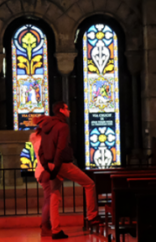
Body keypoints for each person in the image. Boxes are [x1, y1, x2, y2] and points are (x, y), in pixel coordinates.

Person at [39, 102, 100, 240]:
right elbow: (61, 148)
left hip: (51, 165)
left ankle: (56, 230)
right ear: (61, 110)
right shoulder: (63, 126)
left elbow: (40, 150)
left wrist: (47, 166)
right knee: (89, 184)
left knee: (54, 196)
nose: (69, 111)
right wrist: (56, 165)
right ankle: (92, 216)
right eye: (67, 108)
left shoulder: (45, 127)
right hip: (62, 164)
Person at [29, 115, 57, 238]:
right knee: (49, 199)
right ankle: (45, 225)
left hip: (42, 170)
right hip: (45, 171)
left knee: (49, 198)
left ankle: (47, 224)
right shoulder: (42, 139)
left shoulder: (36, 136)